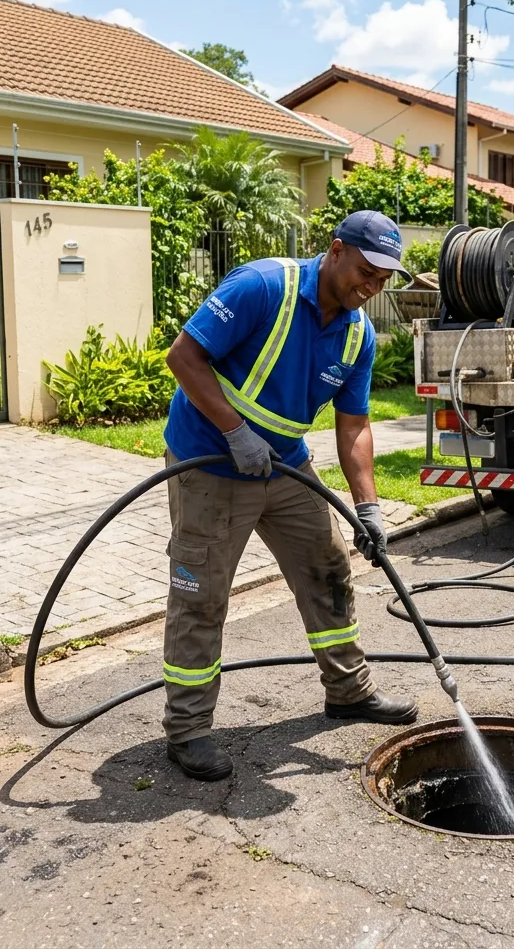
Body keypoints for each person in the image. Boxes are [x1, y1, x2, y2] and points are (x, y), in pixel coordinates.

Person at [161, 210, 418, 781]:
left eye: (382, 280)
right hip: (210, 459)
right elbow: (183, 357)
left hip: (284, 465)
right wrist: (234, 431)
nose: (372, 287)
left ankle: (348, 691)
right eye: (366, 272)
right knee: (202, 593)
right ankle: (187, 729)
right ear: (335, 250)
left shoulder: (358, 335)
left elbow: (354, 425)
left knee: (328, 566)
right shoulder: (262, 286)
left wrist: (369, 507)